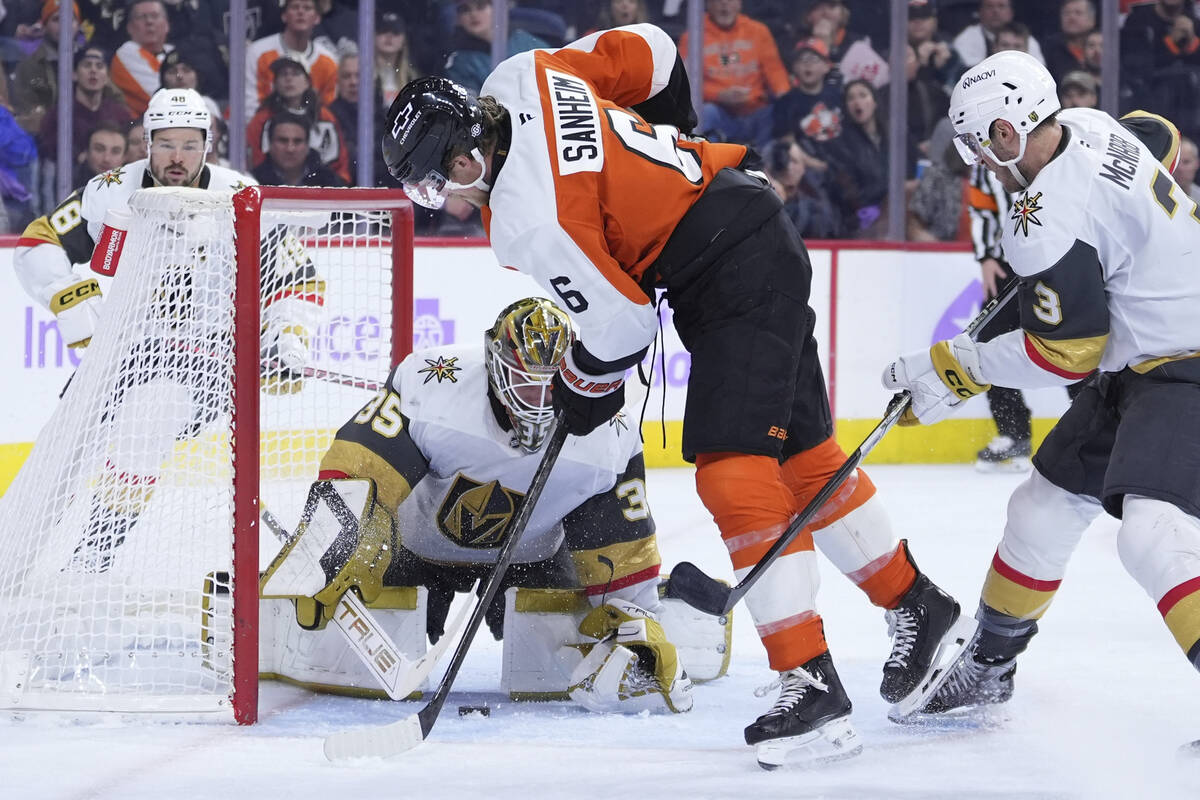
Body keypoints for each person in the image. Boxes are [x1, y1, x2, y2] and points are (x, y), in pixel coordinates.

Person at [382, 26, 973, 768]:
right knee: (807, 461)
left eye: (438, 182)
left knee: (733, 471)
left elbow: (622, 324)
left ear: (468, 159)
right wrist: (676, 142)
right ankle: (921, 608)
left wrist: (578, 388)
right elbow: (655, 50)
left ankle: (809, 683)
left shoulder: (532, 218)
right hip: (750, 228)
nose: (444, 200)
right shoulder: (522, 73)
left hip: (730, 274)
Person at [882, 50, 1200, 721]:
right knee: (1041, 509)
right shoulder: (1085, 121)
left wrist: (957, 367)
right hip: (1144, 361)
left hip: (1185, 363)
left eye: (976, 141)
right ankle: (990, 667)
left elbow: (1066, 356)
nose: (975, 158)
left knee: (1152, 534)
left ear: (1007, 132)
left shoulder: (1040, 218)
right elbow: (1157, 137)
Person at [260, 296, 695, 714]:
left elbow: (619, 550)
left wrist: (636, 619)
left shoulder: (608, 434)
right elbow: (359, 473)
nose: (541, 404)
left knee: (552, 668)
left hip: (532, 560)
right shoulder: (433, 386)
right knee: (359, 641)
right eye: (527, 384)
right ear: (495, 367)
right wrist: (338, 542)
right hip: (418, 551)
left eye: (552, 387)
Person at [12, 88, 321, 572]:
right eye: (166, 144)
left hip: (205, 358)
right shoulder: (111, 188)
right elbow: (38, 241)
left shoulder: (241, 196)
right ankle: (13, 558)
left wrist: (286, 336)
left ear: (208, 145)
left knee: (145, 426)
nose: (177, 158)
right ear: (147, 142)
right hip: (120, 352)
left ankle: (92, 560)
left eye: (190, 145)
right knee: (62, 449)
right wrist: (67, 294)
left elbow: (297, 278)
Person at [678, 0, 790, 148]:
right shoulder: (693, 36)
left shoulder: (758, 31)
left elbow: (776, 74)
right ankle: (707, 163)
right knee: (706, 112)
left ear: (740, 3)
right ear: (707, 4)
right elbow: (685, 83)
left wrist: (788, 102)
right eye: (718, 1)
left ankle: (766, 166)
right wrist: (718, 95)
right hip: (720, 114)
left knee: (778, 112)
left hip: (757, 112)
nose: (724, 4)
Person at [247, 57, 350, 185]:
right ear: (275, 83)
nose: (288, 79)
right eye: (283, 74)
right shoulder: (261, 119)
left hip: (323, 186)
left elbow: (341, 161)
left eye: (296, 73)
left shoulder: (326, 117)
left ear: (308, 81)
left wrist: (340, 185)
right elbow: (256, 160)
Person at [245, 0, 339, 119]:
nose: (300, 12)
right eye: (295, 7)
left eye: (307, 8)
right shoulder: (257, 52)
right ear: (284, 16)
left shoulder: (329, 61)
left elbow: (329, 111)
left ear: (317, 18)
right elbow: (249, 108)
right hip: (263, 129)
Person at [443, 0, 549, 95]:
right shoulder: (460, 62)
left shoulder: (528, 42)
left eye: (481, 6)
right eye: (465, 9)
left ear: (499, 9)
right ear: (458, 18)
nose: (473, 14)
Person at [110, 0, 172, 116]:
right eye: (141, 17)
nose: (149, 21)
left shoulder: (172, 51)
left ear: (167, 24)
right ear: (129, 27)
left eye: (155, 16)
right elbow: (157, 98)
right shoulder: (126, 54)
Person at [251, 114, 345, 188]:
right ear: (270, 144)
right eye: (283, 141)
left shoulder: (329, 182)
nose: (290, 149)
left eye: (297, 141)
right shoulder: (253, 182)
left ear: (307, 145)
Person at [953, 0, 1045, 68]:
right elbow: (966, 71)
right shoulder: (966, 38)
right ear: (980, 12)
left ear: (1011, 12)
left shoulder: (1027, 39)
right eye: (990, 6)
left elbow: (1040, 70)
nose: (995, 11)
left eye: (1001, 6)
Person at [1041, 0, 1095, 81]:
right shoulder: (1048, 49)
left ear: (1092, 20)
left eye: (1078, 13)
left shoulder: (1103, 46)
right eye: (1066, 13)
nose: (1071, 17)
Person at [73, 121, 127, 185]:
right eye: (99, 149)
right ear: (86, 152)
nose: (106, 159)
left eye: (115, 152)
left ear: (124, 157)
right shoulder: (66, 181)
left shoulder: (134, 187)